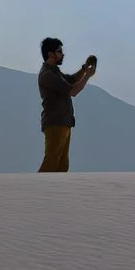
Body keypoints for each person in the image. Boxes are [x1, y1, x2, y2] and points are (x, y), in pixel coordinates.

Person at [37, 37, 97, 172]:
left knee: (62, 166)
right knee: (51, 164)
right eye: (59, 51)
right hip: (55, 123)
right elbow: (73, 91)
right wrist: (87, 75)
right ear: (50, 54)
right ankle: (37, 191)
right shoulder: (47, 75)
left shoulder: (55, 72)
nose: (62, 54)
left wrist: (83, 69)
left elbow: (72, 79)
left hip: (63, 122)